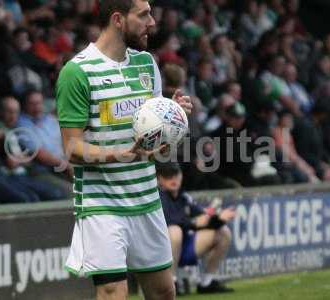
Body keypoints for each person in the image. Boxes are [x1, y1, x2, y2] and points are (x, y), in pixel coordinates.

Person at [56, 1, 192, 300]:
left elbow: (153, 145)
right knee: (112, 292)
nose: (152, 22)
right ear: (118, 19)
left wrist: (171, 119)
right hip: (101, 203)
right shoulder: (77, 72)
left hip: (145, 198)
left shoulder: (146, 64)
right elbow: (72, 148)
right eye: (143, 15)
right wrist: (123, 153)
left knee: (163, 292)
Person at [157, 162, 235, 294]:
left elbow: (203, 219)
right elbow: (170, 221)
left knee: (224, 232)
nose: (173, 179)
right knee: (174, 231)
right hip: (160, 254)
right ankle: (172, 282)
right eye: (167, 176)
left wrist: (219, 219)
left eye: (175, 175)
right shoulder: (158, 196)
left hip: (182, 249)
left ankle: (206, 282)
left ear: (181, 175)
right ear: (159, 179)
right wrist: (193, 223)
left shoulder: (183, 197)